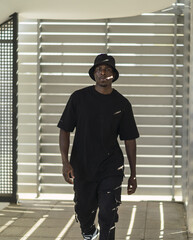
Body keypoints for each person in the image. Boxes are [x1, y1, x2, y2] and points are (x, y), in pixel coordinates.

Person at [57, 53, 139, 240]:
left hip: (111, 167)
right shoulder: (78, 98)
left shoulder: (122, 104)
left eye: (108, 69)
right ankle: (89, 232)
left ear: (114, 75)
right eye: (99, 70)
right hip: (82, 166)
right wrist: (65, 162)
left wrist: (133, 174)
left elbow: (130, 140)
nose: (103, 73)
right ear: (94, 74)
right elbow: (64, 130)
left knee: (108, 214)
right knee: (84, 210)